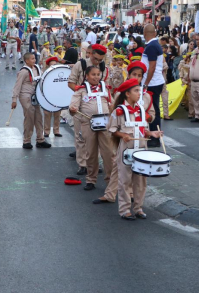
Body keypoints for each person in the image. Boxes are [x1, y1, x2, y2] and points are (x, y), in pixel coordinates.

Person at [108, 78, 163, 220]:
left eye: (139, 90)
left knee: (141, 181)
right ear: (127, 94)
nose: (139, 94)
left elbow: (143, 131)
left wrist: (152, 133)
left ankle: (138, 208)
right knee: (125, 180)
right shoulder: (119, 111)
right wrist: (122, 135)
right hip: (126, 149)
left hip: (141, 150)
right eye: (136, 91)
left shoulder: (141, 111)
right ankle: (125, 210)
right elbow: (112, 129)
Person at [69, 65, 117, 200]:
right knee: (90, 153)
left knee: (109, 154)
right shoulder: (81, 90)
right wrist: (72, 109)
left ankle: (110, 181)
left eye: (98, 74)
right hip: (88, 124)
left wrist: (113, 111)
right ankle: (91, 179)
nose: (96, 77)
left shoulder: (105, 89)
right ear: (87, 76)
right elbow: (73, 105)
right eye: (93, 74)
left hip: (105, 124)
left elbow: (112, 104)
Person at [11, 53, 50, 150]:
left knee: (38, 118)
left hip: (35, 97)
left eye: (34, 58)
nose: (34, 60)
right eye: (32, 59)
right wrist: (14, 99)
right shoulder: (23, 72)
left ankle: (40, 140)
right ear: (27, 61)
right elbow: (17, 86)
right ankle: (26, 141)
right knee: (29, 119)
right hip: (25, 97)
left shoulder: (36, 68)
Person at [141, 24, 165, 146]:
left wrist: (145, 83)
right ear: (154, 33)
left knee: (153, 111)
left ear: (145, 34)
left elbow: (152, 66)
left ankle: (154, 139)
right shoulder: (154, 45)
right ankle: (153, 136)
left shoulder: (151, 46)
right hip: (155, 81)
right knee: (153, 109)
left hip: (153, 83)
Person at [42, 57, 62, 138]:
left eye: (55, 64)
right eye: (52, 65)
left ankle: (56, 130)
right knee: (47, 114)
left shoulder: (59, 73)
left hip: (57, 96)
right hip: (47, 96)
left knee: (57, 114)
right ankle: (46, 131)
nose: (54, 66)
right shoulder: (44, 73)